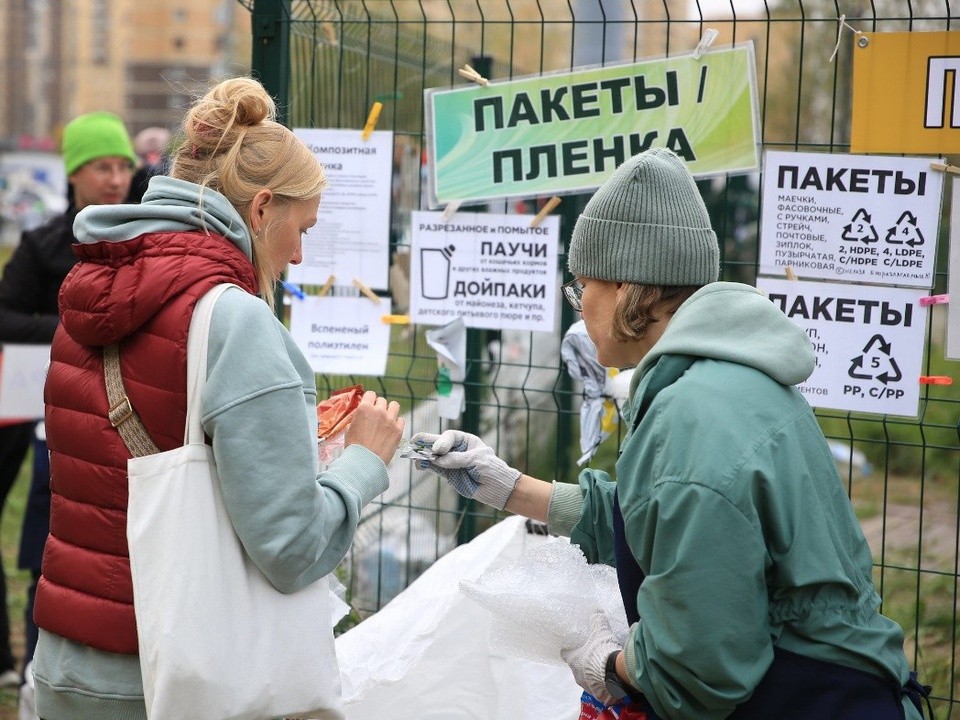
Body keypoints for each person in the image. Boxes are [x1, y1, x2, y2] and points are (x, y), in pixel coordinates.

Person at [412, 148, 929, 720]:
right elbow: (655, 515)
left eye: (583, 285)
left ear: (630, 289)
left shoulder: (693, 421)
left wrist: (610, 668)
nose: (578, 306)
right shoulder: (721, 381)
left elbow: (702, 665)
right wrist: (508, 487)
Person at [32, 76, 404, 718]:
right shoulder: (236, 321)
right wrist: (363, 462)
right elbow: (291, 549)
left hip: (65, 661)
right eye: (301, 226)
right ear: (260, 209)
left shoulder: (88, 289)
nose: (299, 253)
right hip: (172, 674)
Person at [0, 110, 139, 684]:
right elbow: (4, 315)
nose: (114, 178)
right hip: (57, 420)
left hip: (130, 417)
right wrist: (74, 330)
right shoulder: (46, 244)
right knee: (51, 538)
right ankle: (38, 670)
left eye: (122, 165)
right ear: (74, 174)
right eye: (100, 166)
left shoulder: (143, 238)